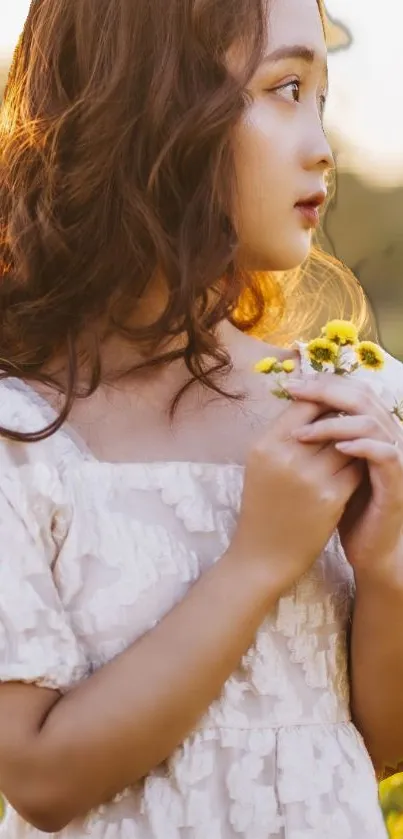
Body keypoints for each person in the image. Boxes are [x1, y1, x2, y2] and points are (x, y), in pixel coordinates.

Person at [0, 0, 403, 836]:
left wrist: (388, 568)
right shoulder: (24, 432)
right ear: (151, 109)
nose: (320, 144)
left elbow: (377, 744)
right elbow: (38, 777)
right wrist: (256, 561)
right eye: (285, 88)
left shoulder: (348, 399)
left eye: (321, 99)